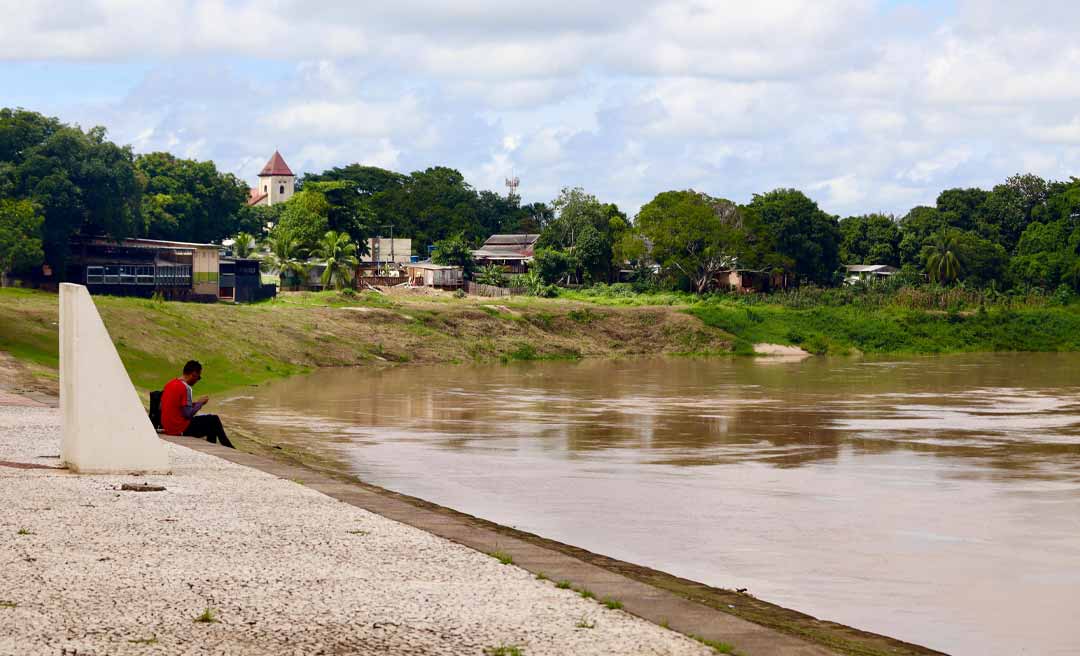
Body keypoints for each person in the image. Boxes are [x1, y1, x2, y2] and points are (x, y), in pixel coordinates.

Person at [160, 360, 235, 448]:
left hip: (168, 427)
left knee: (209, 423)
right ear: (194, 374)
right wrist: (200, 403)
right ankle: (228, 447)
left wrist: (193, 404)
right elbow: (188, 414)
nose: (197, 380)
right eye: (198, 377)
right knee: (214, 420)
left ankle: (213, 446)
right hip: (179, 428)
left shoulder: (170, 384)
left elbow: (164, 406)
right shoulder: (186, 388)